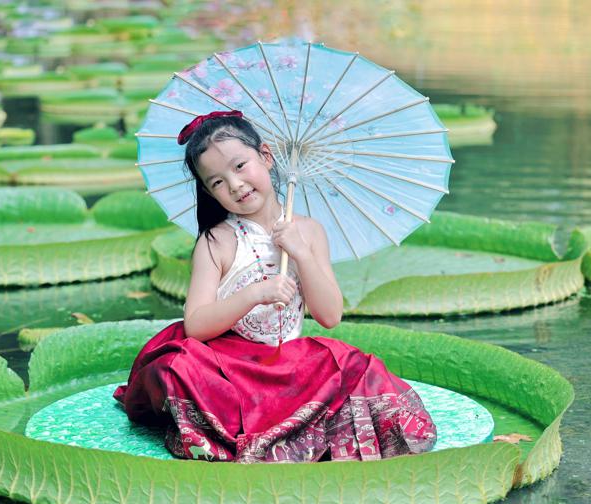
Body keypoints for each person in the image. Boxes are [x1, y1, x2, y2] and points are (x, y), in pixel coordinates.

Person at [113, 110, 437, 463]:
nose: (235, 185)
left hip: (290, 363)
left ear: (265, 156)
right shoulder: (216, 241)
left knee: (357, 367)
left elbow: (330, 316)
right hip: (228, 366)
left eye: (240, 166)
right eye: (217, 182)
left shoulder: (308, 231)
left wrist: (301, 253)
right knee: (176, 366)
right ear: (207, 191)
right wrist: (255, 294)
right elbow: (196, 326)